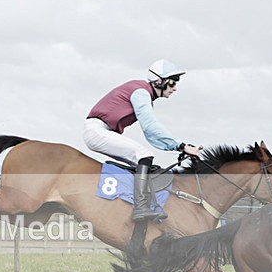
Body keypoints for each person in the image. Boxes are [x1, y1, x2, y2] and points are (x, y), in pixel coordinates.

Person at [84, 59, 201, 222]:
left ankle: (130, 204)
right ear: (159, 81)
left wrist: (177, 147)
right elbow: (151, 126)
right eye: (172, 83)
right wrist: (182, 146)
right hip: (97, 130)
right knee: (144, 154)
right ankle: (140, 207)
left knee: (145, 163)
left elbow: (150, 133)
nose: (175, 88)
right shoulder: (141, 92)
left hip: (100, 131)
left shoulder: (143, 91)